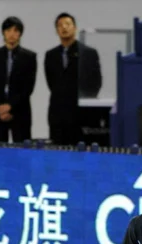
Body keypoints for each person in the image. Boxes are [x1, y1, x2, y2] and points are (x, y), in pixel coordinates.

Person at [44, 13, 102, 145]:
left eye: (68, 24)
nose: (64, 28)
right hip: (57, 114)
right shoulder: (51, 55)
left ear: (75, 28)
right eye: (60, 25)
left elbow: (96, 83)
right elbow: (51, 83)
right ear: (56, 30)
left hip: (81, 114)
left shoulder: (88, 53)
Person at [0, 17, 37, 143]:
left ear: (20, 33)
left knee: (22, 155)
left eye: (15, 31)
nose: (12, 34)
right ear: (3, 33)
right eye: (8, 30)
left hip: (20, 112)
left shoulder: (29, 57)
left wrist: (10, 106)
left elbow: (28, 87)